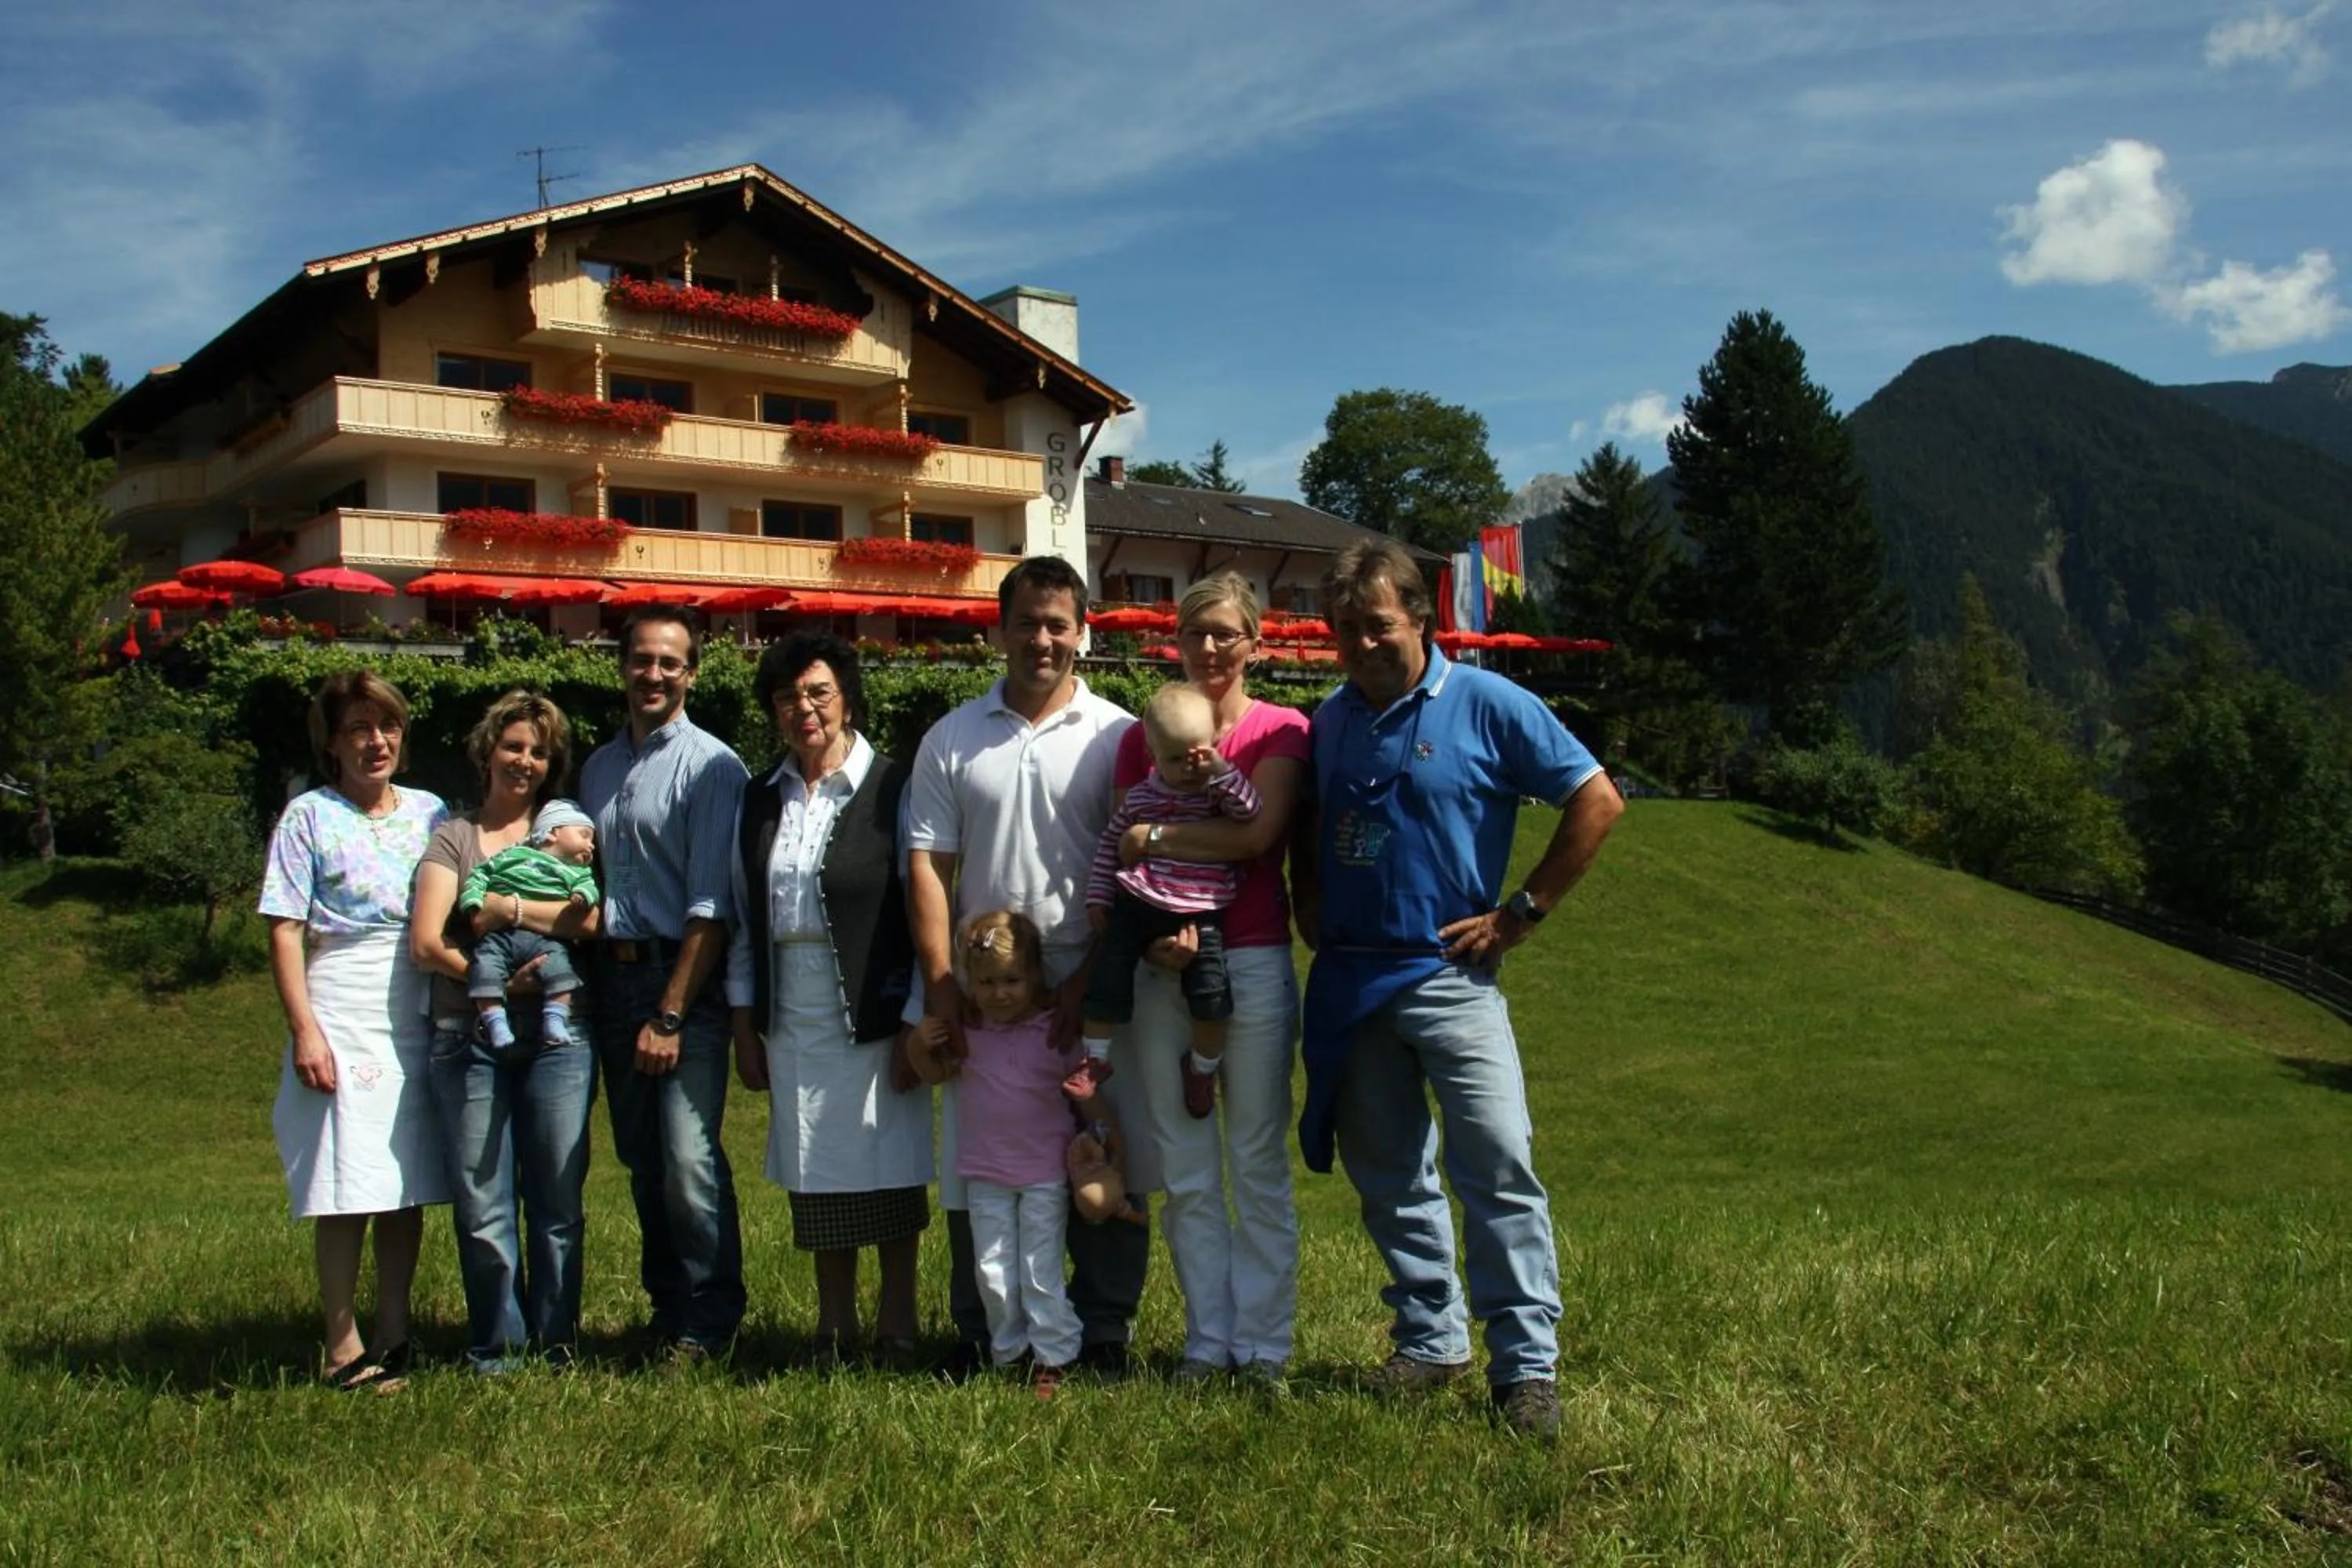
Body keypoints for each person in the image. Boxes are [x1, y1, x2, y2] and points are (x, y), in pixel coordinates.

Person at [1296, 539, 1624, 1441]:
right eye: (1345, 629)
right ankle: (1431, 1340)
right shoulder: (1330, 719)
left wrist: (1523, 911)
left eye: (1378, 624)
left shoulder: (1489, 701)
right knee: (1389, 1174)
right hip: (1354, 981)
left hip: (1453, 978)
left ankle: (1526, 1367)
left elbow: (1597, 798)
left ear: (1419, 618)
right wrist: (1306, 892)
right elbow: (1312, 814)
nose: (1362, 644)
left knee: (1498, 1163)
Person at [905, 554, 1156, 1379]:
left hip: (1093, 982)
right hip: (990, 994)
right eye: (1026, 623)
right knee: (983, 1151)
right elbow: (928, 865)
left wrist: (1091, 977)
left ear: (1083, 631)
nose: (1041, 639)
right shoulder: (953, 736)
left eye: (1057, 624)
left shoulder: (1117, 735)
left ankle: (1105, 1327)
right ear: (999, 630)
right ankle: (986, 1329)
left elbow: (1138, 868)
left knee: (1103, 1143)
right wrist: (946, 985)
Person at [1105, 571, 1311, 1389]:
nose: (1211, 647)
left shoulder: (1281, 729)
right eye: (1195, 632)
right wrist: (1152, 927)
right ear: (1177, 641)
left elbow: (1256, 837)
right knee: (1186, 1163)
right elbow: (1117, 843)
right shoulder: (1143, 732)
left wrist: (1156, 837)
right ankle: (1206, 1341)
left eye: (1226, 632)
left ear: (1254, 643)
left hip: (1250, 956)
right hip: (1161, 963)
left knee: (1256, 1157)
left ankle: (1264, 1346)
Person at [725, 633, 931, 1369]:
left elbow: (922, 910)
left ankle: (898, 1320)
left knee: (891, 1164)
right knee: (815, 1170)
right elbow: (745, 918)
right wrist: (746, 1024)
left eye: (818, 693)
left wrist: (915, 1019)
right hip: (794, 1009)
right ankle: (834, 1325)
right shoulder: (759, 796)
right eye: (787, 697)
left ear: (847, 699)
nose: (803, 709)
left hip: (879, 1004)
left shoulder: (895, 788)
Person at [261, 670, 450, 1390]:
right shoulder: (308, 816)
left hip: (416, 1003)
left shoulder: (430, 812)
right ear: (332, 743)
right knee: (345, 1180)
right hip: (340, 1002)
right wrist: (305, 1030)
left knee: (406, 1178)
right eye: (359, 729)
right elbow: (284, 928)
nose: (377, 741)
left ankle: (395, 1330)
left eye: (387, 726)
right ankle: (341, 1344)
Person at [579, 607, 750, 1368]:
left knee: (688, 1158)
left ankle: (712, 1319)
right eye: (641, 659)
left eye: (669, 662)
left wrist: (672, 1012)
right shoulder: (597, 768)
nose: (653, 673)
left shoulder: (713, 766)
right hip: (611, 978)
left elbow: (713, 904)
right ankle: (669, 1309)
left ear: (692, 674)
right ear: (623, 666)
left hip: (683, 982)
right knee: (643, 1159)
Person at [412, 691, 599, 1374]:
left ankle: (556, 1345)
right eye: (514, 746)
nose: (525, 761)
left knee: (557, 1197)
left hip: (559, 1041)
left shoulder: (567, 834)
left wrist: (505, 908)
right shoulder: (454, 838)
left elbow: (591, 922)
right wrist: (498, 982)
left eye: (539, 752)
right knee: (483, 1201)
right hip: (469, 1035)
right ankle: (498, 1349)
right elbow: (428, 942)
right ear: (487, 752)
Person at [1080, 683, 1262, 1119]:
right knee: (1107, 974)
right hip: (1141, 899)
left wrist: (1221, 770)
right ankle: (1094, 1059)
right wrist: (1098, 895)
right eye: (1174, 759)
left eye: (1196, 756)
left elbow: (1250, 812)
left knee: (1212, 994)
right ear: (1153, 755)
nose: (1187, 769)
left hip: (1200, 908)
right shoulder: (1142, 797)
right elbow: (1111, 845)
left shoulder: (1216, 791)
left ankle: (1202, 1068)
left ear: (1213, 745)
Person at [932, 910, 1085, 1399]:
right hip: (985, 1173)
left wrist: (1102, 1127)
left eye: (1012, 980)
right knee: (992, 1271)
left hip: (1044, 1172)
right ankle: (1011, 1354)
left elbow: (1085, 1084)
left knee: (1040, 1269)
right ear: (969, 983)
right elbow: (934, 1073)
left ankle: (1054, 1356)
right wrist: (918, 1046)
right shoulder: (968, 1033)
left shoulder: (1054, 1031)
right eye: (987, 982)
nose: (1000, 993)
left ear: (1035, 975)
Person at [459, 800, 597, 1051]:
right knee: (484, 966)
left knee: (562, 971)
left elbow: (589, 891)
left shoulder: (577, 872)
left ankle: (555, 1018)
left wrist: (582, 896)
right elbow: (480, 874)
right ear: (553, 833)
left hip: (548, 940)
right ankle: (495, 1021)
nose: (591, 845)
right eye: (584, 835)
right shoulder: (513, 855)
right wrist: (473, 900)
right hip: (500, 936)